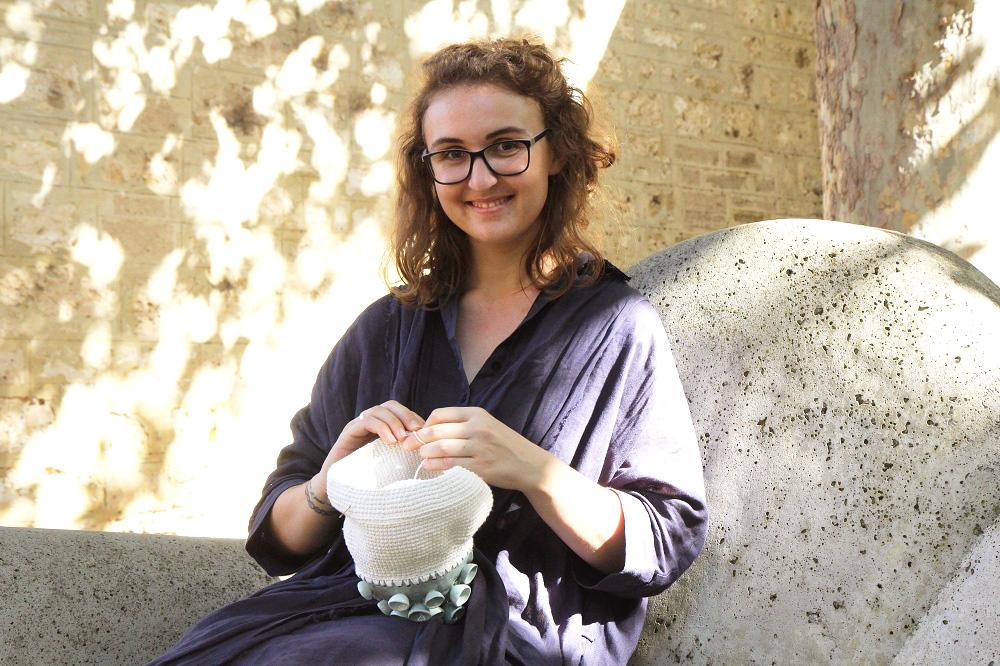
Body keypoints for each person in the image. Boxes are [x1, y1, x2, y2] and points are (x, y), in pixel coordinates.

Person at [151, 37, 707, 665]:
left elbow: (665, 540)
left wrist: (531, 469)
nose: (479, 178)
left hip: (516, 638)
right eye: (451, 154)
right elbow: (280, 539)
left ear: (555, 151)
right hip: (340, 612)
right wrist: (329, 486)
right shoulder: (384, 330)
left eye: (506, 146)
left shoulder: (617, 326)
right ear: (428, 168)